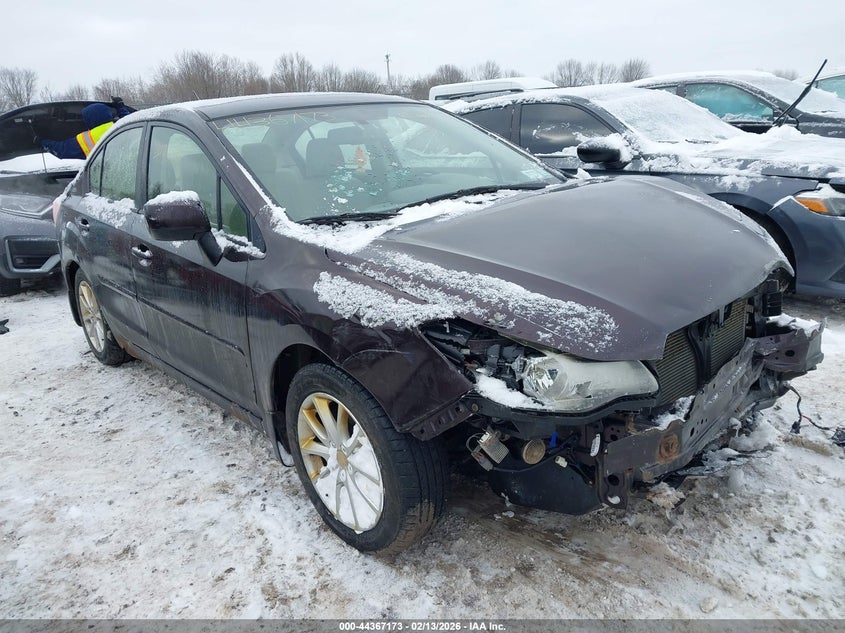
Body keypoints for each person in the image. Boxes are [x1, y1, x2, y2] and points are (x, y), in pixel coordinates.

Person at [40, 97, 130, 159]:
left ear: (89, 120)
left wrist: (41, 141)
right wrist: (120, 107)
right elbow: (129, 119)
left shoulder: (87, 139)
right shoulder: (121, 126)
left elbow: (61, 150)